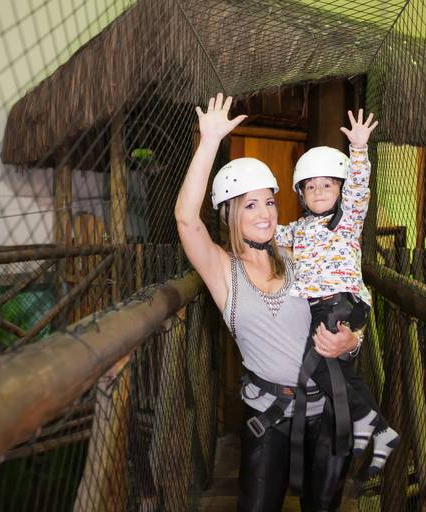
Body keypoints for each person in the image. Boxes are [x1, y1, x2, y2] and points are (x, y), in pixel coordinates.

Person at [175, 93, 361, 511]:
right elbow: (187, 221)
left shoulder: (301, 257)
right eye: (250, 205)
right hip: (269, 417)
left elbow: (347, 306)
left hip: (327, 410)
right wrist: (208, 143)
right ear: (229, 215)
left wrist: (352, 341)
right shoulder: (224, 272)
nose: (265, 213)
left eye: (271, 202)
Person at [276, 110, 399, 475]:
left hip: (340, 302)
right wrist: (234, 209)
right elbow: (264, 234)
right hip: (318, 308)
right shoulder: (298, 229)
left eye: (327, 185)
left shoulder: (344, 222)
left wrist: (359, 149)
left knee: (314, 362)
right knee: (334, 371)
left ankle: (370, 424)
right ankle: (372, 427)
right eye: (310, 186)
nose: (318, 191)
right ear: (300, 193)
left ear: (340, 191)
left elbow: (360, 189)